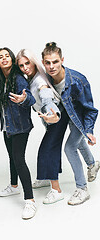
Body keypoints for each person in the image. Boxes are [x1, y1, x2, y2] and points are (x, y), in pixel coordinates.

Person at [37, 42, 99, 205]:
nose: (51, 66)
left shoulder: (78, 80)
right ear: (43, 62)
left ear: (62, 60)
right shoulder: (46, 79)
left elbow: (90, 109)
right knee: (77, 144)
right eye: (48, 62)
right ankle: (93, 164)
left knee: (70, 147)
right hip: (64, 117)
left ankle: (82, 189)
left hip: (78, 118)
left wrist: (89, 130)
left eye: (55, 62)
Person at [0, 47, 36, 219]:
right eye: (0, 57)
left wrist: (24, 99)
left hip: (20, 127)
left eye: (7, 56)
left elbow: (29, 97)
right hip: (7, 126)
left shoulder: (18, 79)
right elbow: (5, 96)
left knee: (19, 160)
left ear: (12, 59)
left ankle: (30, 201)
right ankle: (14, 186)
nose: (4, 58)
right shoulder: (3, 79)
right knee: (12, 157)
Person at [16, 49, 62, 191]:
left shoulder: (40, 80)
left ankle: (56, 189)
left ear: (34, 62)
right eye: (21, 66)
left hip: (55, 116)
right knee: (58, 147)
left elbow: (45, 95)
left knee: (47, 150)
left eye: (27, 63)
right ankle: (45, 178)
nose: (25, 68)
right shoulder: (32, 77)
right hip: (48, 118)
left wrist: (52, 113)